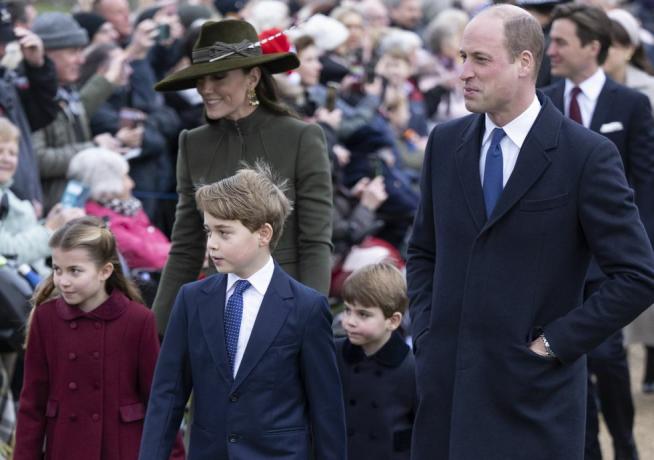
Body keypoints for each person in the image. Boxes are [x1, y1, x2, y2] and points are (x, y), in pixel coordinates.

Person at [406, 5, 654, 460]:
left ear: (525, 63)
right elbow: (424, 251)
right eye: (462, 56)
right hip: (446, 397)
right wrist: (428, 332)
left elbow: (638, 276)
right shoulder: (445, 142)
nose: (463, 73)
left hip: (532, 404)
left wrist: (554, 345)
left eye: (480, 59)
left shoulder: (586, 155)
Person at [139, 165, 346, 459]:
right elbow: (167, 395)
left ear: (263, 233)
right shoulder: (192, 299)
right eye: (209, 231)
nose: (211, 244)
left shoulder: (306, 307)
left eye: (224, 232)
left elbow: (326, 409)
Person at [151, 19, 333, 335]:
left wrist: (311, 322)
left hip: (284, 307)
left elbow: (315, 241)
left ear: (253, 77)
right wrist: (155, 330)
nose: (206, 89)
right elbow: (186, 246)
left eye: (219, 77)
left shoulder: (301, 137)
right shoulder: (193, 142)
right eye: (200, 79)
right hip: (219, 308)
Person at [543, 5, 654, 459]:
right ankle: (586, 449)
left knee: (607, 360)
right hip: (554, 265)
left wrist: (638, 252)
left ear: (593, 47)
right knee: (569, 361)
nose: (550, 50)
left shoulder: (630, 104)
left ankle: (625, 444)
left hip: (608, 263)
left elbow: (645, 182)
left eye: (561, 42)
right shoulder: (542, 99)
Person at [13, 216, 185, 460]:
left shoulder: (138, 320)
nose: (63, 281)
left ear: (105, 271)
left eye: (75, 271)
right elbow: (32, 404)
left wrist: (175, 456)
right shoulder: (45, 319)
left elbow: (157, 400)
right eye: (57, 269)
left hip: (122, 449)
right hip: (65, 448)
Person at [337, 262, 416, 460]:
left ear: (393, 321)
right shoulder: (333, 354)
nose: (349, 321)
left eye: (363, 314)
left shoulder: (411, 368)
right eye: (347, 310)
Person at [0, 117, 83, 277]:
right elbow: (7, 253)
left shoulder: (7, 192)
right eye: (0, 151)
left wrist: (51, 222)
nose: (7, 158)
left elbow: (20, 233)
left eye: (12, 153)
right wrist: (49, 229)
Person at [67, 147, 171, 271]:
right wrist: (184, 251)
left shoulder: (125, 207)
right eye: (125, 177)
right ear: (105, 183)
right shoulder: (103, 224)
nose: (131, 183)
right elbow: (148, 258)